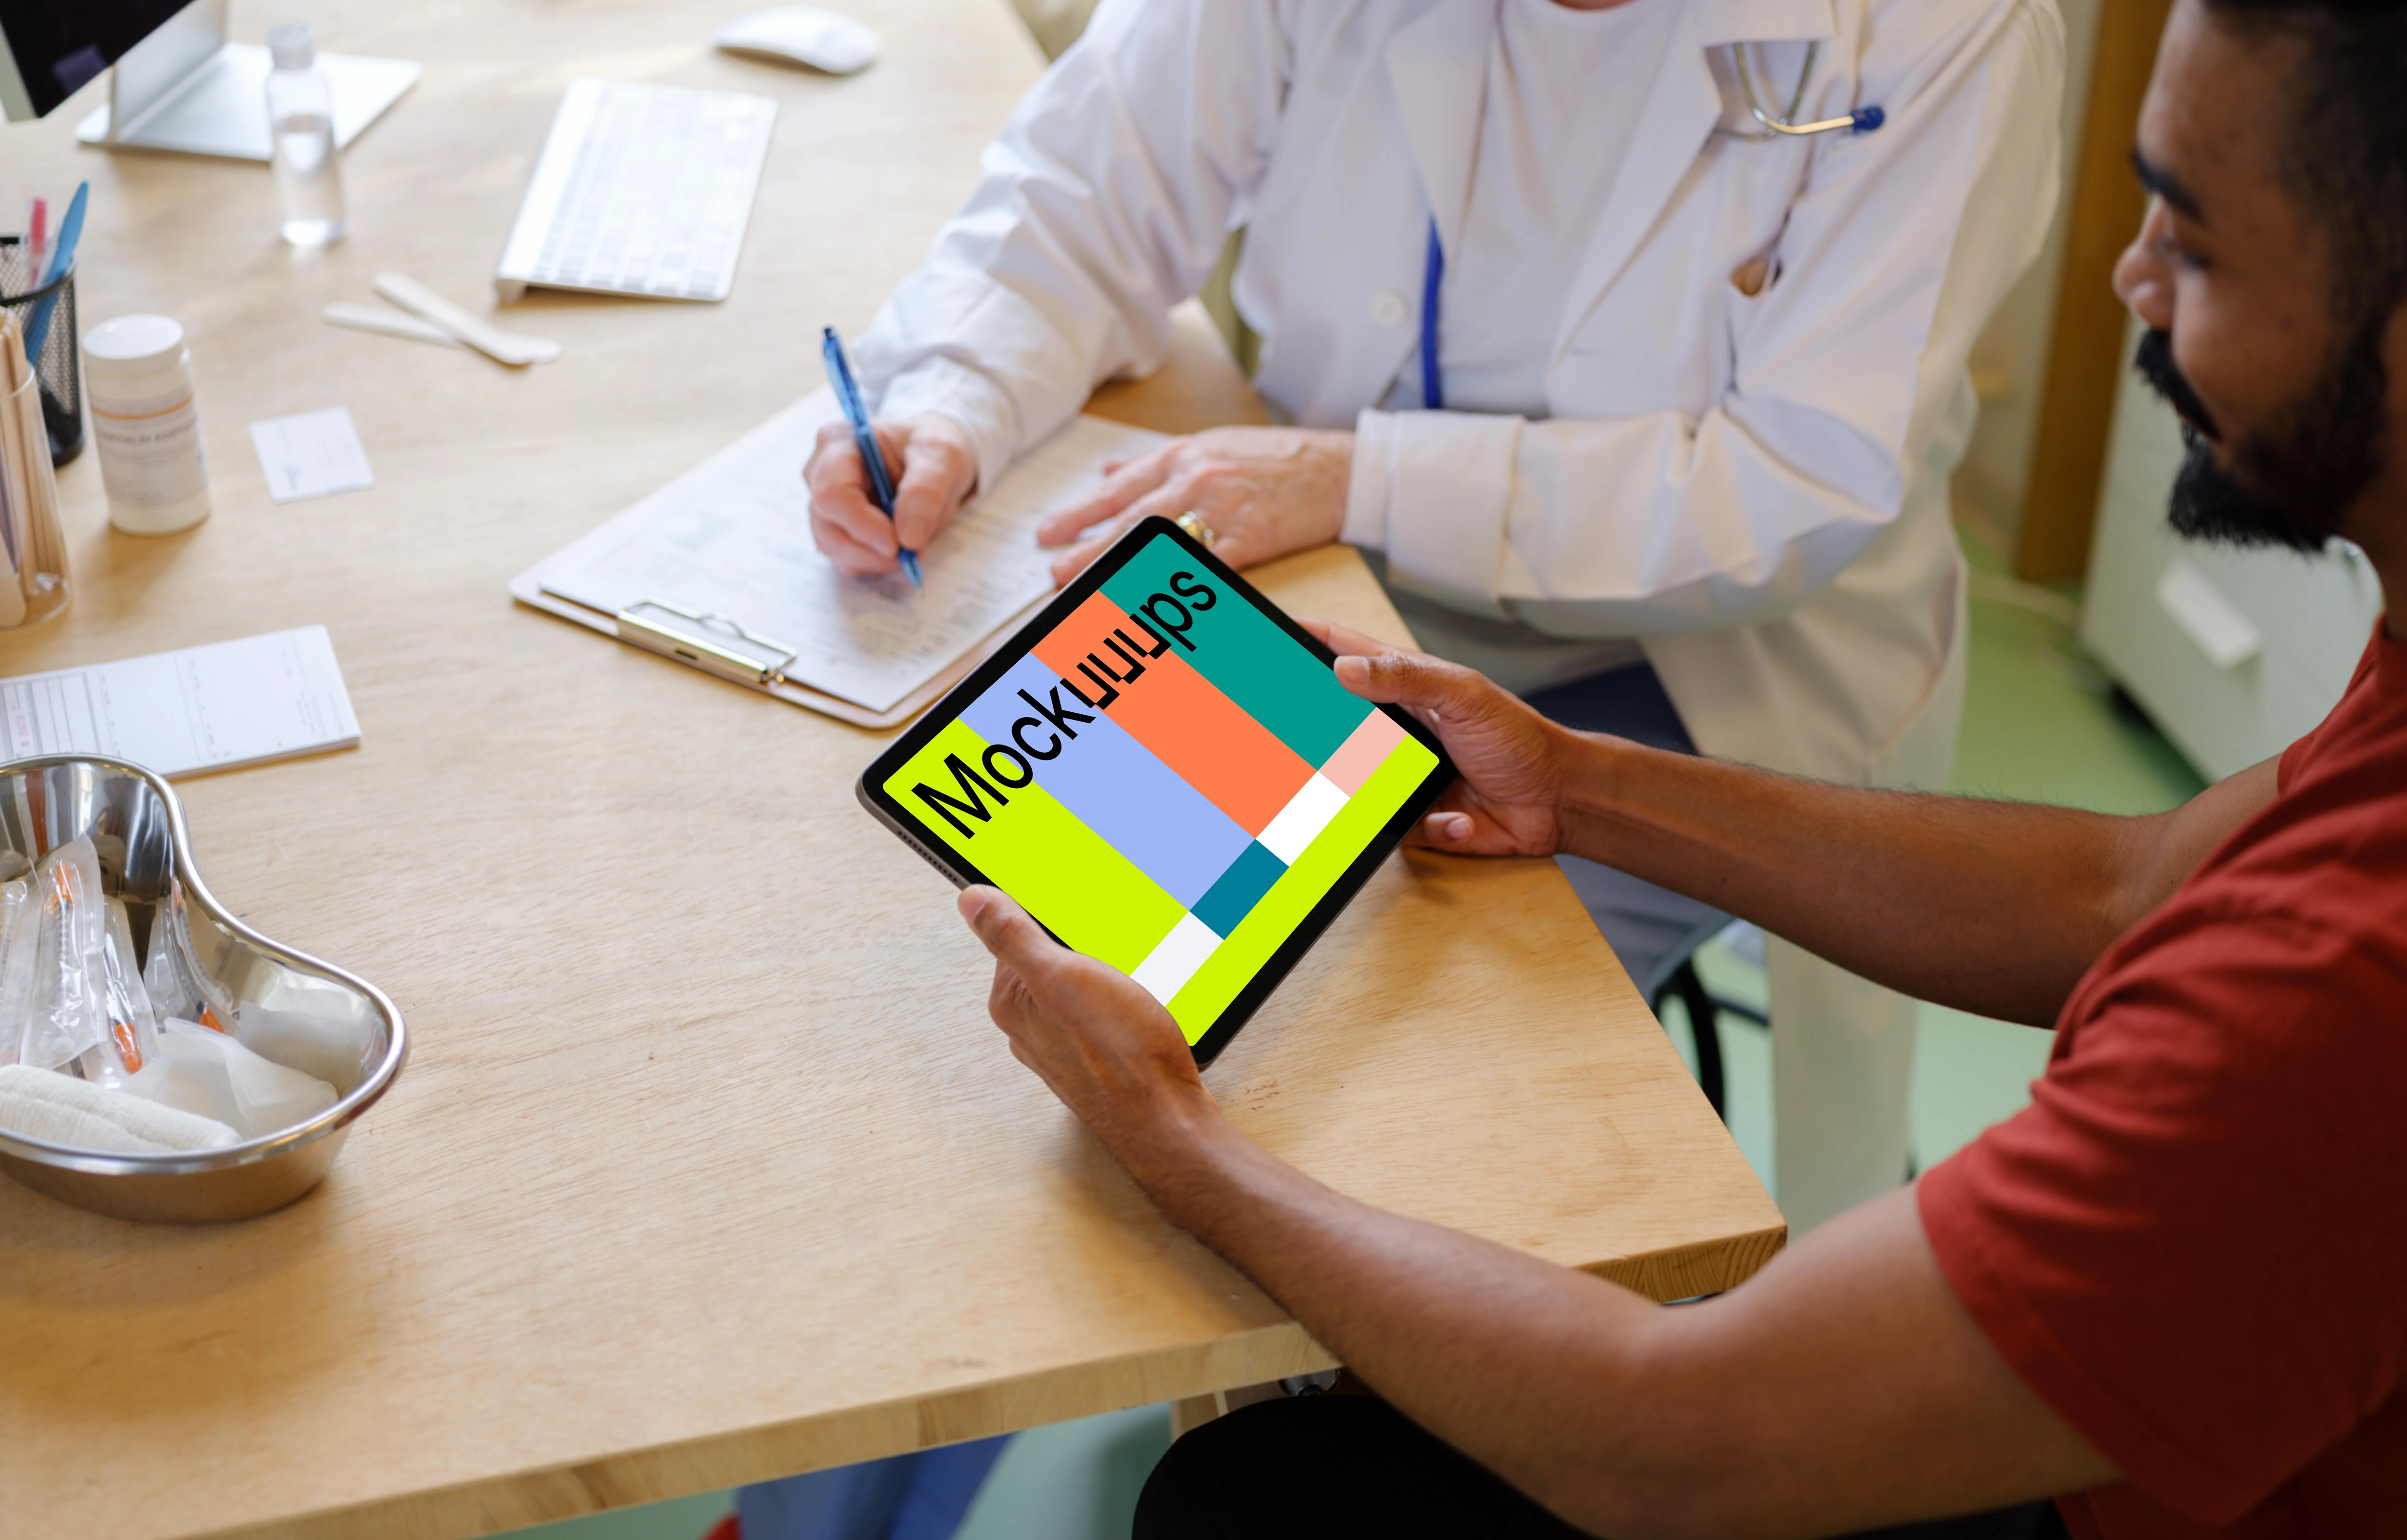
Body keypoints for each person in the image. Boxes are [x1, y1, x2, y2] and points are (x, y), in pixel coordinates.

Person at [929, 0, 2407, 1532]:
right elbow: (2133, 884)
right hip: (1426, 622)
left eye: (2202, 242)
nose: (2131, 276)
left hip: (2048, 1491)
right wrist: (1581, 786)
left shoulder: (2342, 989)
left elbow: (1678, 1439)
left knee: (1254, 1487)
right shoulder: (2381, 719)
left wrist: (1180, 1144)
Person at [807, 0, 2067, 1241]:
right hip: (1329, 593)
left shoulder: (1944, 26)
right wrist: (956, 398)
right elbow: (1085, 194)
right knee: (1061, 992)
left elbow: (1792, 485)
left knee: (1398, 1117)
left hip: (1689, 674)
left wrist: (1364, 477)